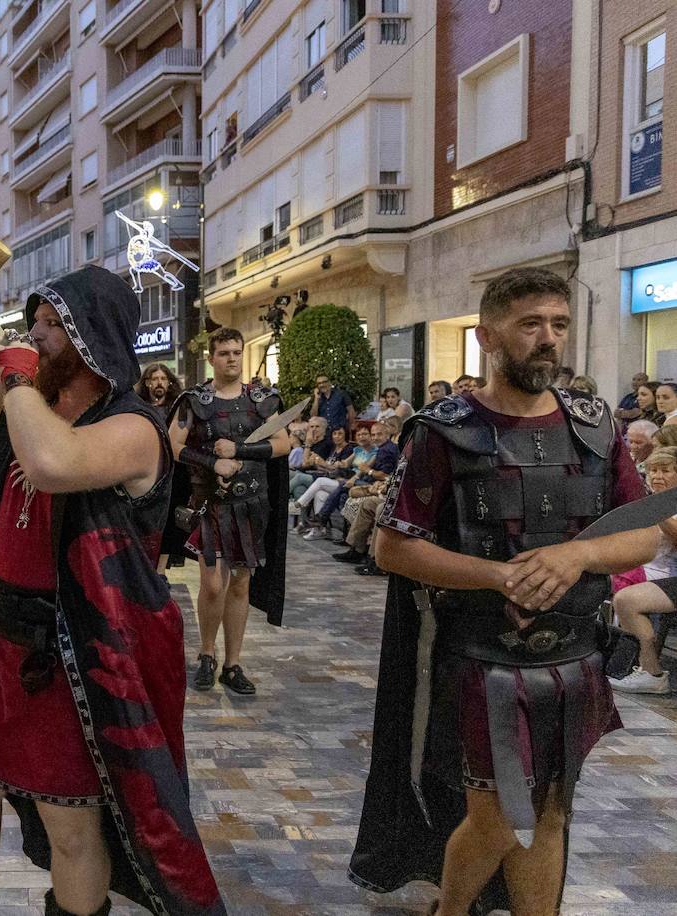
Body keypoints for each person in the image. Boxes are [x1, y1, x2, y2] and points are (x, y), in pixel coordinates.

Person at [0, 209, 224, 916]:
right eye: (34, 320)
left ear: (92, 339)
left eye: (50, 324)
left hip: (73, 658)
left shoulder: (132, 428)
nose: (33, 333)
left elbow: (49, 461)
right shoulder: (28, 398)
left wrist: (12, 378)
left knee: (71, 827)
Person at [349, 268, 654, 916]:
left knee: (548, 816)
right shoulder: (444, 429)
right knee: (497, 816)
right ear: (488, 336)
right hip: (482, 660)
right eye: (530, 325)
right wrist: (497, 574)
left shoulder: (597, 427)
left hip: (574, 657)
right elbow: (392, 545)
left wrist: (580, 553)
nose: (548, 338)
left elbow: (645, 533)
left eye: (559, 325)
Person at [169, 327, 292, 698]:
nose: (232, 358)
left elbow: (284, 443)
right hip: (211, 505)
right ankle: (206, 653)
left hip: (253, 504)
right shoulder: (195, 401)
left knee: (240, 584)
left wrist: (239, 451)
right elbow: (174, 445)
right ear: (211, 357)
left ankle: (232, 663)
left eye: (236, 352)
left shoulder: (265, 400)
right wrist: (211, 461)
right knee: (212, 583)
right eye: (223, 353)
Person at [609, 446, 677, 694]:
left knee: (627, 594)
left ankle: (646, 670)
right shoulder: (652, 500)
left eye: (665, 471)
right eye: (653, 471)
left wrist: (654, 508)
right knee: (620, 593)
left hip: (667, 571)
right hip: (650, 568)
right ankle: (641, 669)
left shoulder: (661, 505)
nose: (657, 476)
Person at [136, 363, 189, 570]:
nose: (159, 383)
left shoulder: (177, 409)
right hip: (146, 473)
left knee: (167, 525)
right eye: (154, 379)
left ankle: (160, 572)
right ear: (147, 383)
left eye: (163, 379)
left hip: (171, 475)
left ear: (169, 382)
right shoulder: (139, 407)